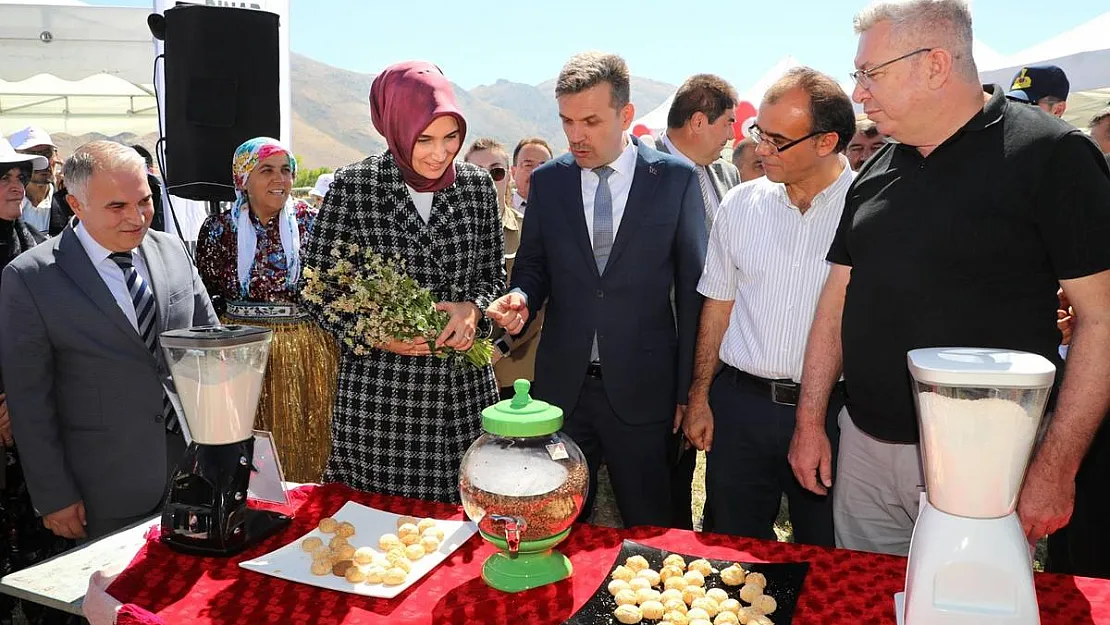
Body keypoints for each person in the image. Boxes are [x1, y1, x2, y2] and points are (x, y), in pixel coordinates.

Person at [788, 0, 1110, 560]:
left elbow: (1102, 321)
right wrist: (811, 420)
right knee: (863, 603)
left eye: (871, 74)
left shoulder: (1052, 155)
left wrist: (1057, 465)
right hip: (863, 449)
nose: (859, 93)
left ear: (935, 64)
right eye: (857, 76)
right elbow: (837, 301)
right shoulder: (875, 173)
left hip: (986, 466)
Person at [486, 52, 707, 528]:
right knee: (557, 524)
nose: (575, 135)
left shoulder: (675, 181)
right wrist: (522, 296)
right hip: (563, 390)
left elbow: (693, 294)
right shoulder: (549, 182)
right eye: (566, 121)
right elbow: (534, 267)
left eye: (590, 120)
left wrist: (690, 388)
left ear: (626, 115)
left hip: (645, 391)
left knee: (654, 530)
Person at [301, 61, 502, 503]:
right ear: (394, 127)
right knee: (382, 541)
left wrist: (474, 312)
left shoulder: (477, 188)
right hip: (383, 407)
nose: (439, 153)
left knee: (462, 535)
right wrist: (376, 334)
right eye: (424, 138)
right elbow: (316, 289)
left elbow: (492, 277)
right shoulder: (354, 188)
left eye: (451, 137)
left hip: (463, 401)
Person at [0, 141, 219, 540]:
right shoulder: (30, 277)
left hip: (193, 476)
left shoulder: (172, 251)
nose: (137, 218)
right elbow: (30, 400)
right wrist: (54, 495)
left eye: (144, 201)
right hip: (101, 492)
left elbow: (211, 350)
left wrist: (224, 451)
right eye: (117, 207)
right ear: (76, 205)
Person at [684, 67, 856, 545]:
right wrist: (700, 397)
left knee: (825, 556)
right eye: (760, 133)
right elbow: (717, 307)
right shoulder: (739, 205)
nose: (760, 149)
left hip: (835, 415)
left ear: (827, 142)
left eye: (778, 141)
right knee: (730, 555)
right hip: (741, 409)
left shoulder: (868, 208)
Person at [195, 137, 338, 483]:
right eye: (267, 170)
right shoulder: (219, 229)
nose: (280, 180)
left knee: (305, 438)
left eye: (286, 171)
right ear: (243, 178)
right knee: (246, 439)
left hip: (302, 350)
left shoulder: (311, 223)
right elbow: (208, 293)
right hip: (241, 350)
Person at [653, 72, 741, 530]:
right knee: (663, 479)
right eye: (729, 122)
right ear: (699, 121)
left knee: (709, 476)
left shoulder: (726, 175)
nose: (734, 135)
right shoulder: (643, 170)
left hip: (718, 352)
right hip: (663, 354)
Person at [0, 139, 77, 625]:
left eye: (16, 177)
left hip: (30, 415)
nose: (15, 185)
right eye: (3, 178)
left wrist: (20, 405)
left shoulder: (31, 241)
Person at [464, 138, 545, 400]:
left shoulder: (528, 230)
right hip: (462, 374)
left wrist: (499, 348)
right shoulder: (449, 236)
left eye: (496, 172)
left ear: (508, 176)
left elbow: (540, 302)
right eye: (477, 172)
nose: (487, 180)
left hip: (516, 375)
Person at [8, 127, 60, 236]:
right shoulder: (5, 205)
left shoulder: (70, 202)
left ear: (56, 156)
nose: (44, 161)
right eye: (32, 155)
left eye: (47, 154)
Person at [510, 137, 554, 215]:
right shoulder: (498, 209)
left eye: (543, 166)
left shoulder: (563, 211)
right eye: (528, 165)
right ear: (514, 172)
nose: (536, 171)